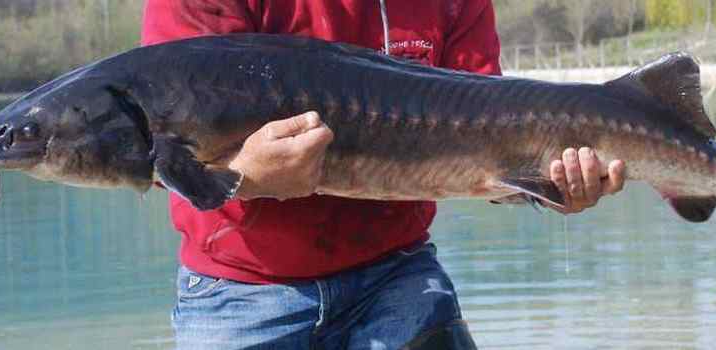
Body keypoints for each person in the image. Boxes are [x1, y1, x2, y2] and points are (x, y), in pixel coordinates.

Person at [141, 1, 626, 349]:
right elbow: (156, 149)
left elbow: (489, 148)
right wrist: (249, 176)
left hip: (396, 274)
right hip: (241, 291)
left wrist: (547, 186)